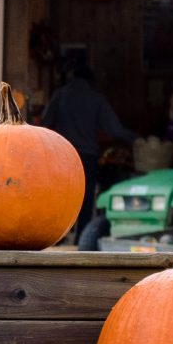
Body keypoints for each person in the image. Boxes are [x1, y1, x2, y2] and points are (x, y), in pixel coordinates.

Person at [40, 53, 132, 242]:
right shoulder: (96, 98)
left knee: (59, 194)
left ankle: (57, 237)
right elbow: (114, 129)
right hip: (87, 155)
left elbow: (44, 122)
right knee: (85, 197)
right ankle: (81, 238)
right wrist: (136, 138)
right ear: (90, 80)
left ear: (73, 77)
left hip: (61, 154)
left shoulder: (59, 95)